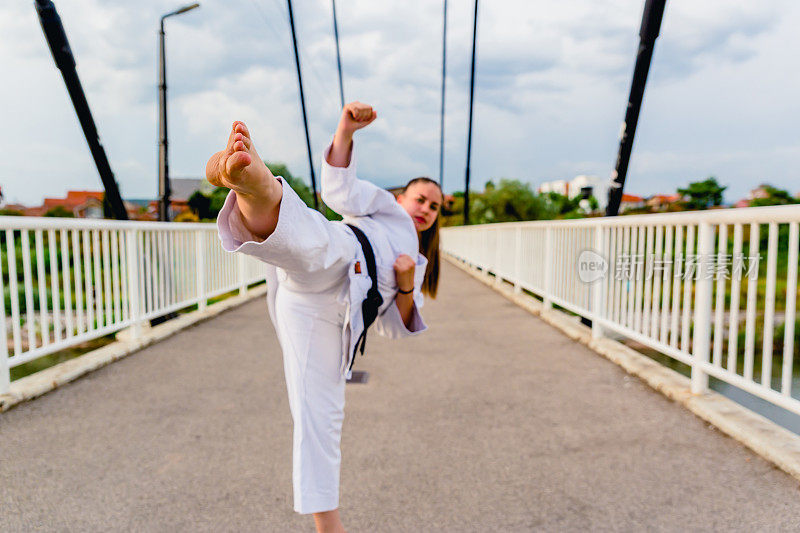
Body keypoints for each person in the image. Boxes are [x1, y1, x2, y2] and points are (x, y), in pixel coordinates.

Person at [207, 101, 443, 533]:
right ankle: (259, 192)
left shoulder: (418, 261)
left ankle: (329, 529)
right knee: (319, 244)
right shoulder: (385, 213)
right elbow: (338, 191)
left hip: (338, 317)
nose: (426, 209)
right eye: (421, 198)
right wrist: (346, 131)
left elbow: (397, 326)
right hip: (343, 256)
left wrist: (407, 281)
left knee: (321, 416)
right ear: (401, 198)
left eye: (434, 207)